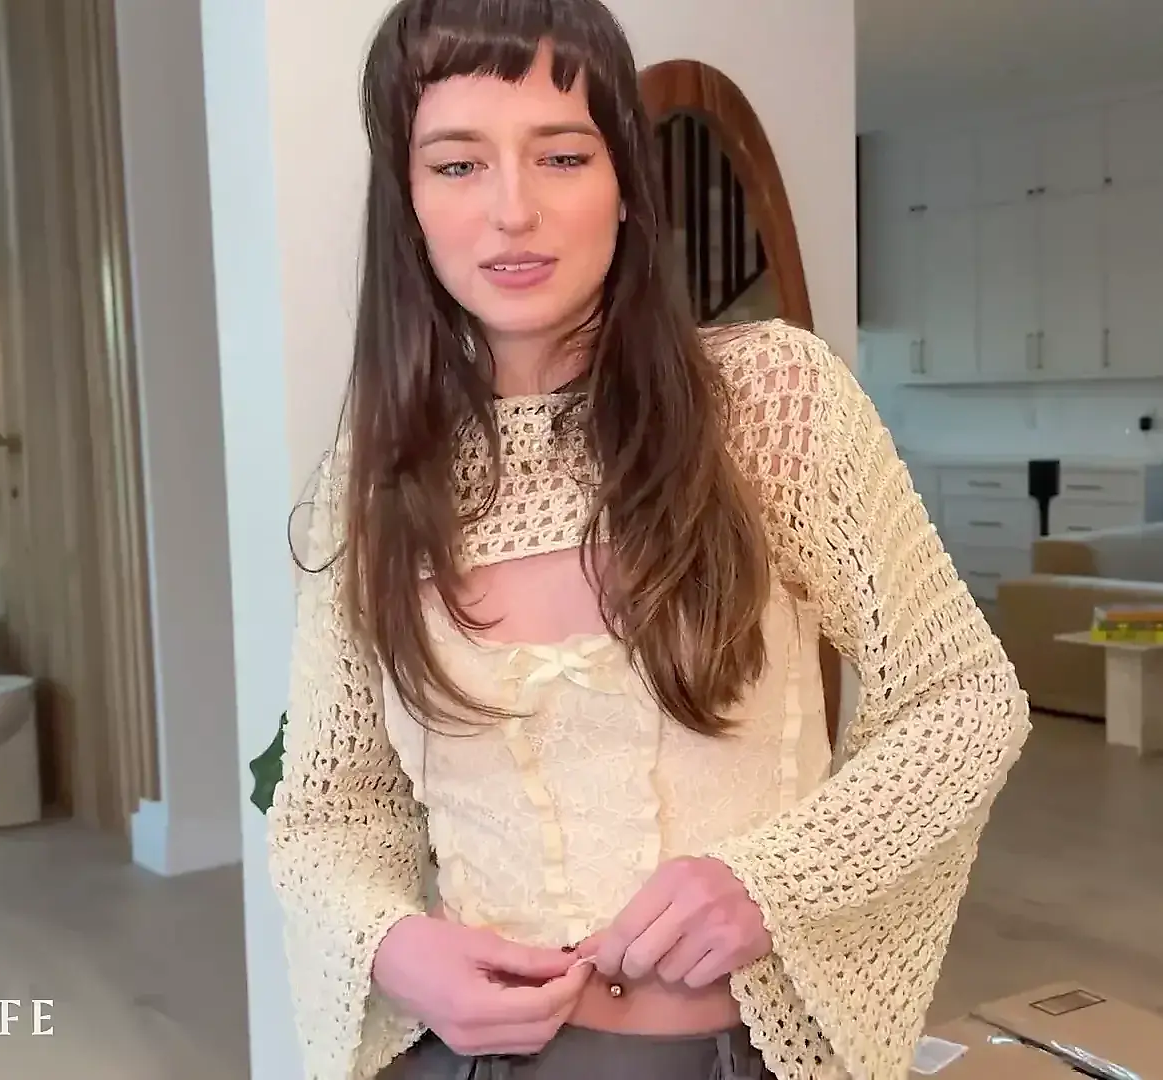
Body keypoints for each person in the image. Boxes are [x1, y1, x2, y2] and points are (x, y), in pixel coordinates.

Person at [268, 0, 1032, 1077]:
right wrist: (397, 950)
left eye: (562, 155)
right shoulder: (379, 474)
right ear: (408, 200)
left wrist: (774, 882)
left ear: (625, 181)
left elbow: (964, 700)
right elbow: (331, 812)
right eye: (457, 165)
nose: (513, 211)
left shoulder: (771, 403)